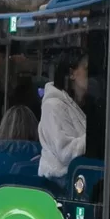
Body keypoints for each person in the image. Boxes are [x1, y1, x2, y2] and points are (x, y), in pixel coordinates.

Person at [38, 50, 89, 180]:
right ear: (72, 73)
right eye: (86, 69)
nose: (90, 75)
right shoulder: (53, 106)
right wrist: (95, 139)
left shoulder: (76, 105)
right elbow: (65, 152)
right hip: (57, 185)